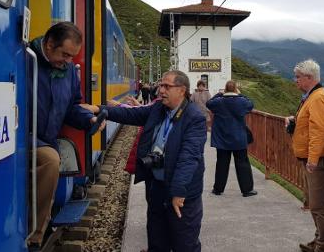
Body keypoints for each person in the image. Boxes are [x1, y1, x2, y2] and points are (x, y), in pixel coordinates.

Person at [84, 70, 207, 252]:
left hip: (181, 193)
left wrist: (179, 192)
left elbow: (189, 157)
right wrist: (99, 109)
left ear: (181, 90)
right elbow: (131, 115)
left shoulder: (194, 118)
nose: (160, 90)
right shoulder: (158, 109)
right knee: (157, 239)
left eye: (166, 86)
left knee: (184, 243)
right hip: (156, 186)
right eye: (160, 85)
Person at [28, 22, 101, 247]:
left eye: (72, 56)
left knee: (51, 156)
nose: (69, 61)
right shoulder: (25, 59)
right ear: (49, 44)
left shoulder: (68, 70)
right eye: (65, 54)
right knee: (51, 160)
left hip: (45, 139)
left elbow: (71, 106)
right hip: (22, 137)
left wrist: (89, 120)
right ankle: (36, 235)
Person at [285, 59, 324, 252]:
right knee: (315, 204)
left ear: (309, 77)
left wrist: (313, 160)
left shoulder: (318, 98)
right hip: (313, 158)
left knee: (319, 206)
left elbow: (319, 131)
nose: (295, 80)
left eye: (298, 77)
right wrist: (294, 121)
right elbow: (311, 126)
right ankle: (320, 240)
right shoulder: (311, 96)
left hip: (319, 160)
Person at [206, 80, 256, 197]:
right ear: (235, 90)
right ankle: (247, 190)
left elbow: (209, 103)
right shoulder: (241, 101)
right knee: (242, 163)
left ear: (225, 89)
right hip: (238, 137)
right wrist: (240, 94)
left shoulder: (218, 102)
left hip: (222, 138)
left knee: (222, 163)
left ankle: (218, 189)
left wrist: (219, 94)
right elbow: (251, 104)